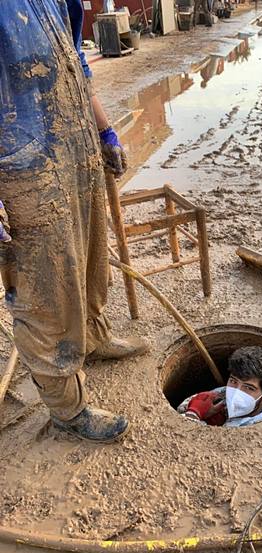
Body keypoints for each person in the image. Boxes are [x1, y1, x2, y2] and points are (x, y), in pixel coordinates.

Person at [0, 0, 148, 443]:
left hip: (74, 142)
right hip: (20, 167)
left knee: (89, 259)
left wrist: (103, 130)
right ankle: (67, 408)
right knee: (46, 289)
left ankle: (92, 339)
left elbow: (76, 63)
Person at [178, 346, 262, 427]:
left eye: (248, 388)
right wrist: (197, 411)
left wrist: (192, 417)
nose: (236, 392)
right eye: (233, 381)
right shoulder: (219, 395)